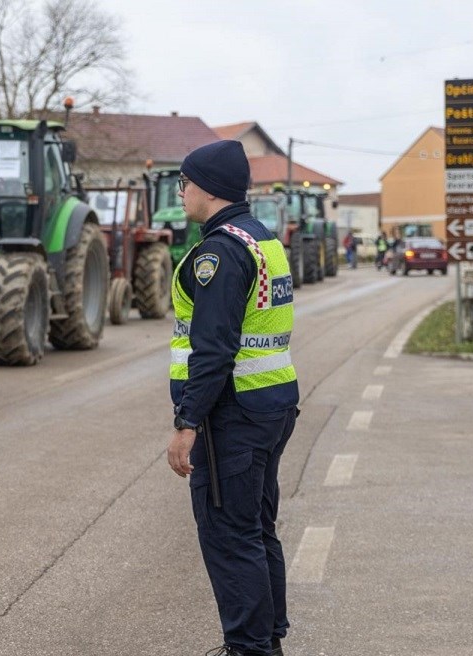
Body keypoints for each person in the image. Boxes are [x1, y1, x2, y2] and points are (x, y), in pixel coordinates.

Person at [167, 140, 300, 656]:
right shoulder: (261, 238)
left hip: (234, 414)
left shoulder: (219, 252)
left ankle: (249, 648)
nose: (181, 192)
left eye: (185, 183)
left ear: (207, 188)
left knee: (229, 536)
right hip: (270, 405)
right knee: (256, 530)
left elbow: (213, 349)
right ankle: (267, 640)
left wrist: (187, 422)